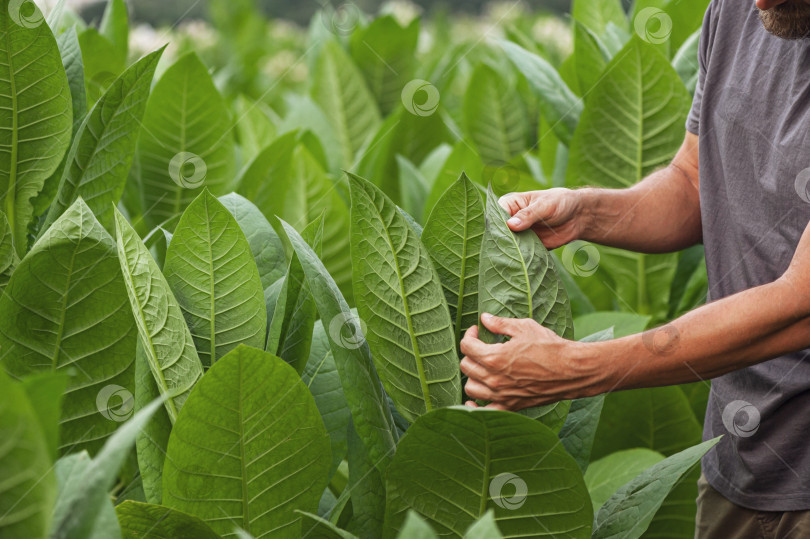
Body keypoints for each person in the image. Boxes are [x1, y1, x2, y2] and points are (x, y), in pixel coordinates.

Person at [460, 0, 810, 537]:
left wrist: (574, 369)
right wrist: (586, 210)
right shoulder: (739, 10)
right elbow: (695, 182)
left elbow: (799, 307)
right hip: (737, 461)